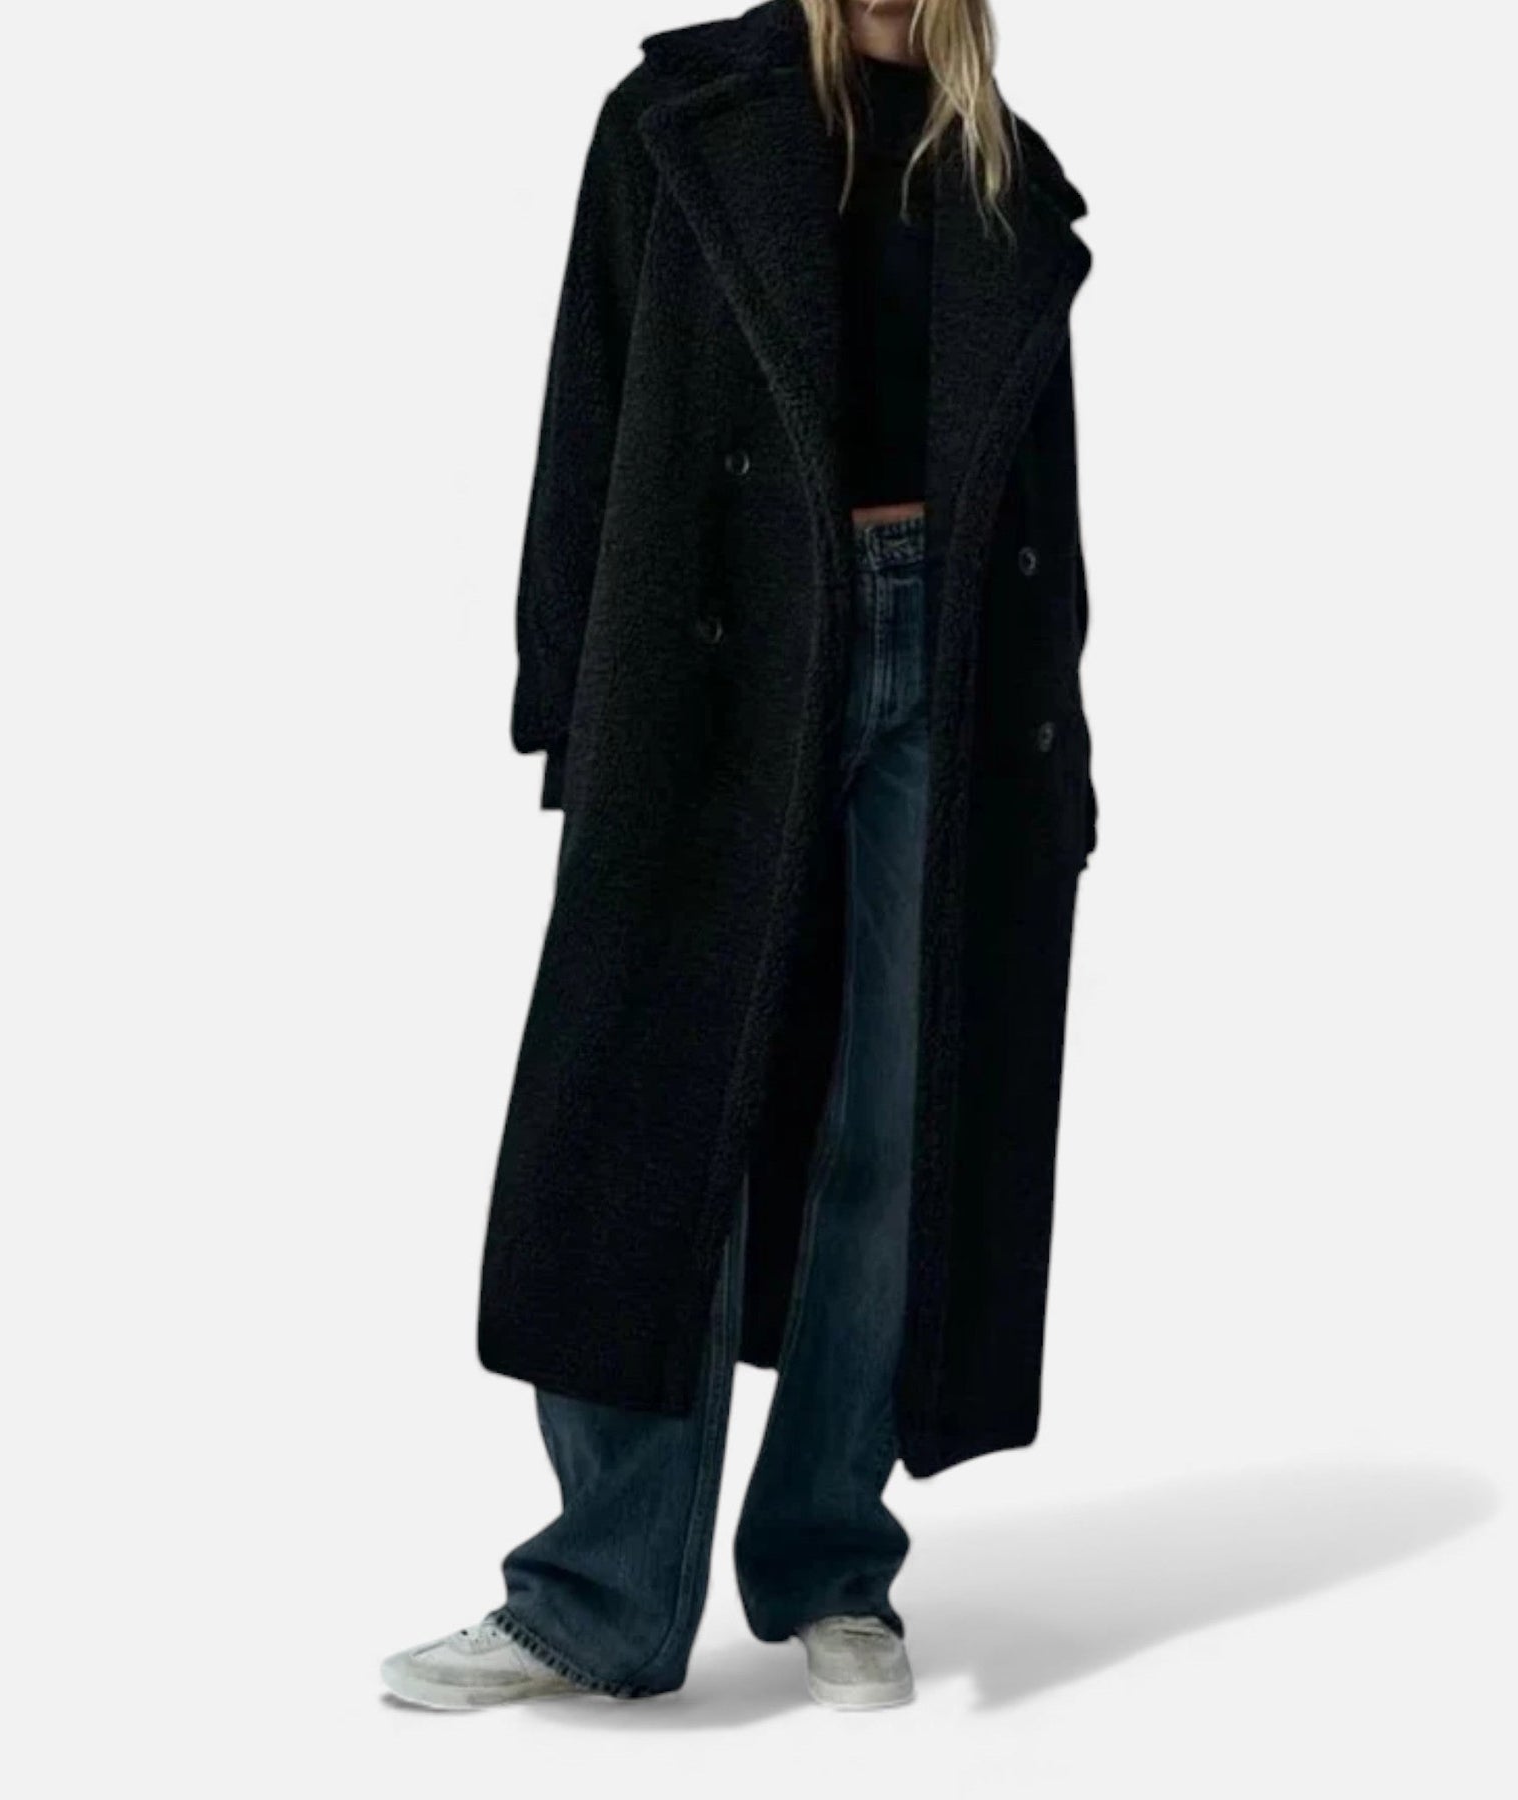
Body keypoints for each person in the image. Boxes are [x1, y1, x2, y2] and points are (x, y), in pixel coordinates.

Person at [383, 0, 1097, 1712]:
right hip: (721, 657)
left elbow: (1045, 500)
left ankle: (831, 1562)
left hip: (950, 668)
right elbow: (589, 397)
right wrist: (565, 684)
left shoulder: (1000, 168)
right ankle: (595, 1596)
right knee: (653, 1111)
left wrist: (1063, 746)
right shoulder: (682, 119)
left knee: (892, 1128)